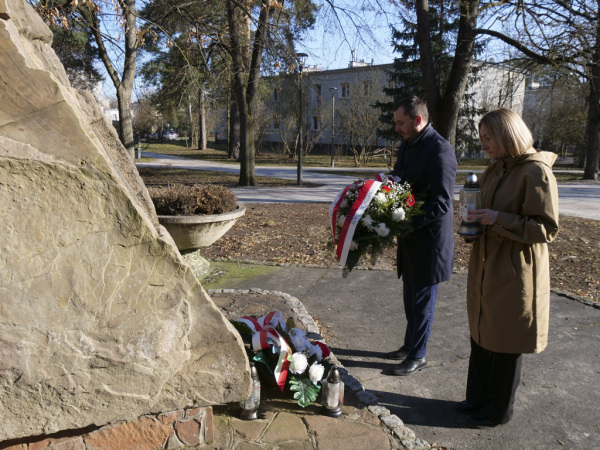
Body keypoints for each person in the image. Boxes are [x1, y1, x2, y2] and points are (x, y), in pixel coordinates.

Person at [455, 108, 559, 429]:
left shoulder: (535, 172)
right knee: (481, 333)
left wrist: (498, 219)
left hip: (515, 270)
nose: (483, 144)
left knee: (505, 341)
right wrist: (471, 224)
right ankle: (477, 399)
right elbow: (481, 209)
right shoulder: (495, 169)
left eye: (488, 138)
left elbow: (546, 228)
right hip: (486, 263)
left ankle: (497, 411)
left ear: (507, 134)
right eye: (481, 137)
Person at [384, 96, 457, 376]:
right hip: (410, 238)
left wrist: (405, 221)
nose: (397, 129)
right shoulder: (407, 144)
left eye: (400, 123)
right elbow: (399, 181)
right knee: (410, 299)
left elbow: (441, 202)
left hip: (429, 241)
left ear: (417, 120)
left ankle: (418, 355)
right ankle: (409, 346)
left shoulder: (440, 150)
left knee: (422, 301)